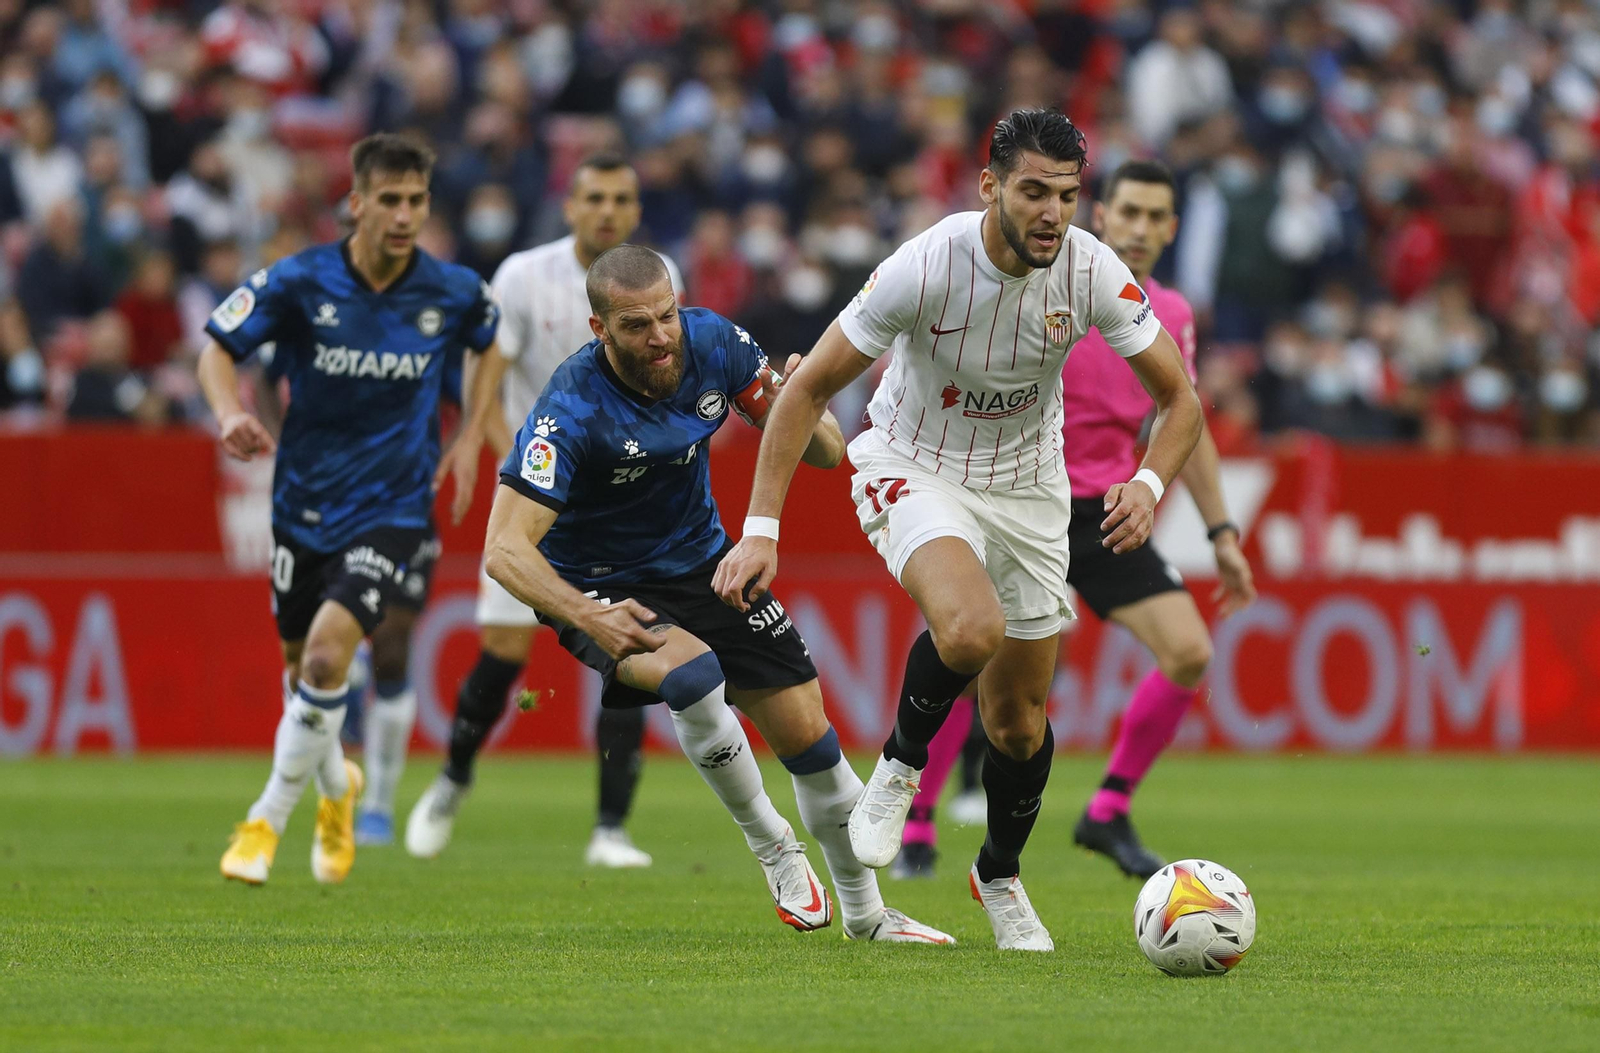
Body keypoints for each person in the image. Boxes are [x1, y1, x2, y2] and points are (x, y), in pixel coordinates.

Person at [713, 109, 1204, 951]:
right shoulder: (926, 264)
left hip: (1031, 488)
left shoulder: (1091, 268)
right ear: (989, 187)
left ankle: (998, 875)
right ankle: (899, 768)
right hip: (915, 462)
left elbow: (1180, 398)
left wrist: (1150, 481)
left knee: (1018, 721)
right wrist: (762, 528)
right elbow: (807, 388)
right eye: (1034, 192)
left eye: (1067, 195)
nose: (1053, 213)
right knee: (971, 627)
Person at [480, 244, 952, 943]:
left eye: (666, 315)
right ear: (599, 329)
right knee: (693, 676)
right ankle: (773, 846)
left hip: (706, 564)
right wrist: (585, 616)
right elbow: (503, 549)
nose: (660, 336)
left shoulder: (715, 343)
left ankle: (868, 918)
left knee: (813, 744)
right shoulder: (569, 410)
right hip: (599, 585)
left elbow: (826, 452)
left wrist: (803, 399)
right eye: (636, 325)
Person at [892, 160, 1258, 881]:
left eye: (1156, 217)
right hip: (1026, 499)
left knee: (1189, 650)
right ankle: (918, 823)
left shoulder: (1172, 315)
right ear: (1102, 216)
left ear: (1173, 229)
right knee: (971, 655)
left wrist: (1221, 533)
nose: (1141, 229)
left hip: (1108, 511)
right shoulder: (1054, 287)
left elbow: (1183, 419)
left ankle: (1108, 810)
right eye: (1129, 213)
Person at [198, 133, 499, 886]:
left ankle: (264, 821)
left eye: (416, 201)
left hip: (394, 507)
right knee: (304, 672)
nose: (404, 216)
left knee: (331, 655)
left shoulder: (452, 290)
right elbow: (217, 348)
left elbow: (493, 342)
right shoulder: (300, 281)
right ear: (357, 203)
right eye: (389, 200)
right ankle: (338, 788)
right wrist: (227, 412)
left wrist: (469, 438)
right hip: (302, 503)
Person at [405, 155, 684, 867]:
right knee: (502, 655)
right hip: (536, 495)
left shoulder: (658, 279)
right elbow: (488, 376)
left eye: (620, 199)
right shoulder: (524, 275)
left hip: (621, 501)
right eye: (595, 197)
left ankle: (611, 828)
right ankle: (453, 778)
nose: (607, 211)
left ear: (635, 209)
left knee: (630, 651)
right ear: (570, 206)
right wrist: (514, 463)